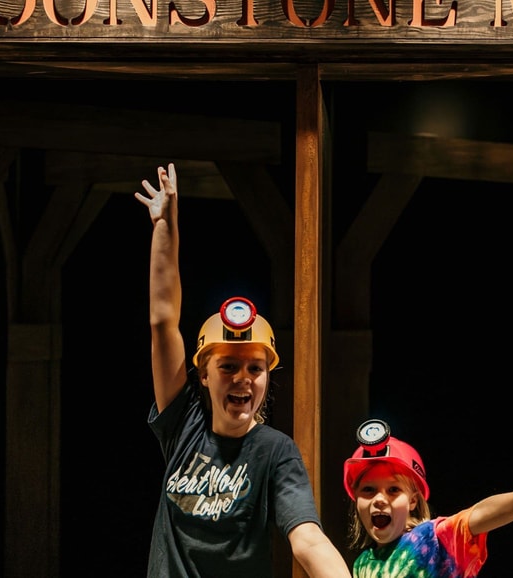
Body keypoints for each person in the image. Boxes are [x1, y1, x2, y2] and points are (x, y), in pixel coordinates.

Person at [136, 162, 352, 578]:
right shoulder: (184, 424)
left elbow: (307, 537)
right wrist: (165, 226)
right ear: (203, 374)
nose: (243, 378)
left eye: (255, 368)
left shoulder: (275, 451)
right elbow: (162, 322)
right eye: (229, 366)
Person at [342, 419, 513, 578]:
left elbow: (479, 514)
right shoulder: (362, 565)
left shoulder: (432, 538)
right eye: (368, 490)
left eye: (393, 490)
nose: (379, 499)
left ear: (413, 501)